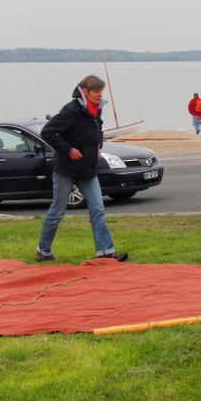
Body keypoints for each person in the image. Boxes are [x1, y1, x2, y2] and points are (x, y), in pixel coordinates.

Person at [35, 75, 128, 263]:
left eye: (101, 91)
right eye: (96, 92)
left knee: (98, 209)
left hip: (88, 170)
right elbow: (47, 132)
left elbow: (97, 127)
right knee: (57, 212)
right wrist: (69, 150)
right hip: (66, 170)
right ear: (84, 92)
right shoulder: (70, 110)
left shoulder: (97, 108)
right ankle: (43, 251)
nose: (100, 95)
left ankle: (106, 252)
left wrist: (99, 142)